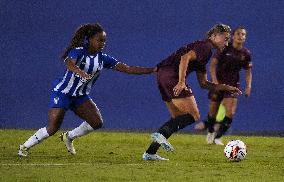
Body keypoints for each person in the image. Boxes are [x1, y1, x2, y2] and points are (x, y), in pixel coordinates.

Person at [18, 23, 156, 157]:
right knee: (53, 128)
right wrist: (80, 72)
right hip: (63, 92)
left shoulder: (103, 58)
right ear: (89, 39)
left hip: (80, 96)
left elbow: (128, 69)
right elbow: (69, 62)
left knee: (96, 122)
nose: (102, 43)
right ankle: (24, 147)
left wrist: (152, 70)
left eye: (104, 41)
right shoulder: (78, 51)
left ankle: (68, 136)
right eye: (99, 40)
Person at [142, 23, 242, 161]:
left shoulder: (204, 52)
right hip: (172, 76)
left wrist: (227, 87)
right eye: (225, 38)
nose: (227, 43)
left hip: (162, 75)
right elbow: (185, 58)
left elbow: (204, 83)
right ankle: (160, 135)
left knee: (178, 117)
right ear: (214, 35)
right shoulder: (205, 47)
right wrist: (181, 82)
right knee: (193, 115)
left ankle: (150, 153)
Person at [196, 26, 252, 145]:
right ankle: (211, 132)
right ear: (233, 36)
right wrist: (215, 82)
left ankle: (218, 137)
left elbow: (248, 72)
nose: (240, 36)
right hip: (219, 84)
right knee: (213, 112)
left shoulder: (245, 54)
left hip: (232, 85)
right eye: (238, 34)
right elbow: (212, 65)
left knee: (230, 112)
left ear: (245, 37)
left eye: (243, 34)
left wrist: (248, 87)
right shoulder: (225, 49)